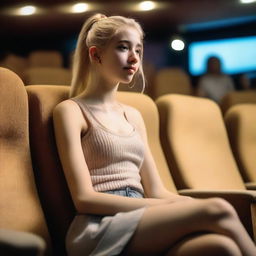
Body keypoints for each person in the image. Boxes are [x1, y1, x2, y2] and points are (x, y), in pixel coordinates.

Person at [53, 13, 256, 256]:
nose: (133, 58)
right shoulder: (70, 111)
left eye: (138, 50)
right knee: (218, 209)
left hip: (144, 218)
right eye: (123, 47)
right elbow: (84, 199)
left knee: (221, 247)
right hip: (99, 225)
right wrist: (162, 207)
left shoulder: (134, 115)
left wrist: (184, 204)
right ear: (95, 54)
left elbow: (157, 190)